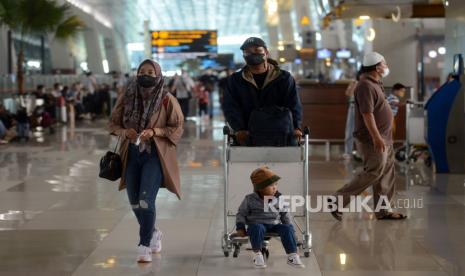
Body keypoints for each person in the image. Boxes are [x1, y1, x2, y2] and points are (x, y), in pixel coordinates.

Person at [109, 59, 184, 263]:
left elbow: (177, 127)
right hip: (132, 155)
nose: (146, 75)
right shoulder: (127, 97)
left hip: (155, 155)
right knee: (134, 203)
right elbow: (113, 124)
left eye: (151, 72)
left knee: (145, 200)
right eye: (143, 71)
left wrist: (155, 131)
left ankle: (144, 245)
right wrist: (125, 132)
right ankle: (154, 232)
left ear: (158, 75)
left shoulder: (166, 99)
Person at [331, 52, 407, 221]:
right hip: (373, 139)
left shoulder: (375, 83)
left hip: (384, 138)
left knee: (386, 174)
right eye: (384, 63)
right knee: (373, 172)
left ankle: (384, 210)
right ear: (377, 66)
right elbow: (367, 114)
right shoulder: (365, 85)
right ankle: (338, 200)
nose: (386, 66)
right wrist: (376, 137)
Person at [223, 37, 302, 146]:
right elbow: (230, 107)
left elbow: (293, 103)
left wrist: (296, 127)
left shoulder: (284, 78)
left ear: (266, 52)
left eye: (257, 50)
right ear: (244, 57)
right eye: (248, 52)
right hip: (247, 136)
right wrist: (239, 129)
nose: (252, 54)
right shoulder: (235, 80)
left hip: (281, 134)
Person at [235, 166, 305, 269]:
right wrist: (240, 227)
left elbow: (285, 213)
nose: (275, 187)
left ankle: (292, 255)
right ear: (260, 188)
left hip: (274, 224)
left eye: (276, 184)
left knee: (287, 228)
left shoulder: (279, 198)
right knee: (256, 228)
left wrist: (291, 230)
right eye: (271, 185)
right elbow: (241, 213)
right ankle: (257, 254)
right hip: (257, 224)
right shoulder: (250, 199)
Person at [342, 75, 359, 160]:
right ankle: (348, 152)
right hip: (353, 106)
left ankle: (361, 152)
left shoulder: (368, 83)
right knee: (350, 130)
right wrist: (353, 85)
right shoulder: (354, 83)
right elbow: (348, 93)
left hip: (363, 107)